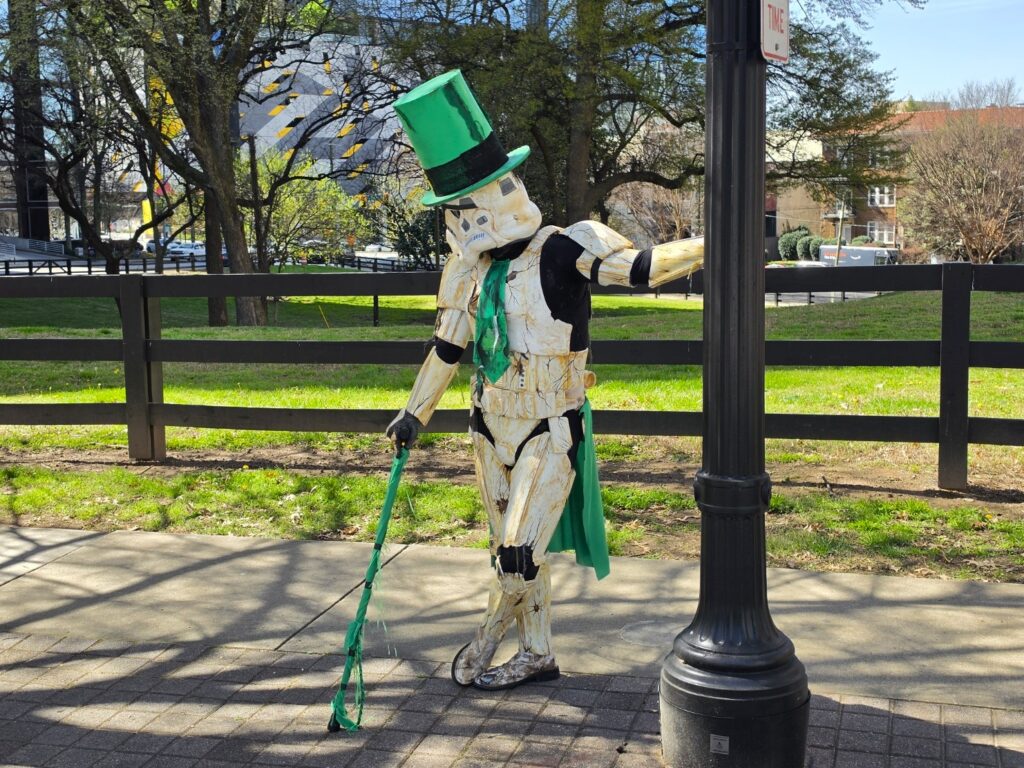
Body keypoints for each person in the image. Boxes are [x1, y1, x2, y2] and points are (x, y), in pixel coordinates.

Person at [386, 70, 703, 691]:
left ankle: (483, 643)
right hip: (488, 425)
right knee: (508, 546)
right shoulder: (466, 271)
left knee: (518, 552)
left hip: (548, 426)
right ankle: (538, 652)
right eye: (455, 207)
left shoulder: (566, 247)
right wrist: (414, 413)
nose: (464, 217)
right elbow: (448, 345)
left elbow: (638, 268)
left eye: (475, 198)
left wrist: (715, 241)